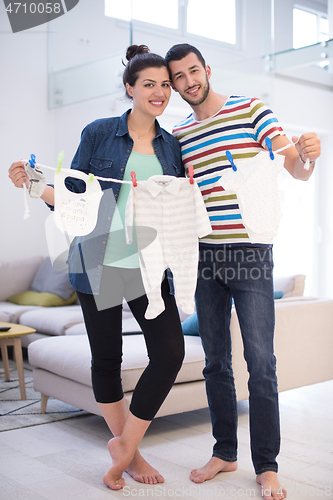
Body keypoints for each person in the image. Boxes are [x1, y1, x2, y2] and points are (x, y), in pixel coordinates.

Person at [8, 45, 185, 491]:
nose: (160, 92)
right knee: (107, 358)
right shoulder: (100, 133)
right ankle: (133, 452)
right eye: (149, 84)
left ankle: (122, 447)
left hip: (150, 263)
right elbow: (75, 198)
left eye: (165, 84)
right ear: (129, 88)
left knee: (169, 352)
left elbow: (179, 209)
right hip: (99, 255)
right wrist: (34, 186)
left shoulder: (173, 145)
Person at [165, 43, 321, 500]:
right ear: (174, 85)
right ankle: (224, 451)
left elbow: (294, 167)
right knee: (215, 361)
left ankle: (267, 466)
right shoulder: (178, 135)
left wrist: (308, 154)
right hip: (203, 256)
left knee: (261, 362)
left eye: (194, 70)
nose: (189, 80)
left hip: (251, 252)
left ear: (207, 70)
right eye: (179, 76)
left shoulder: (251, 108)